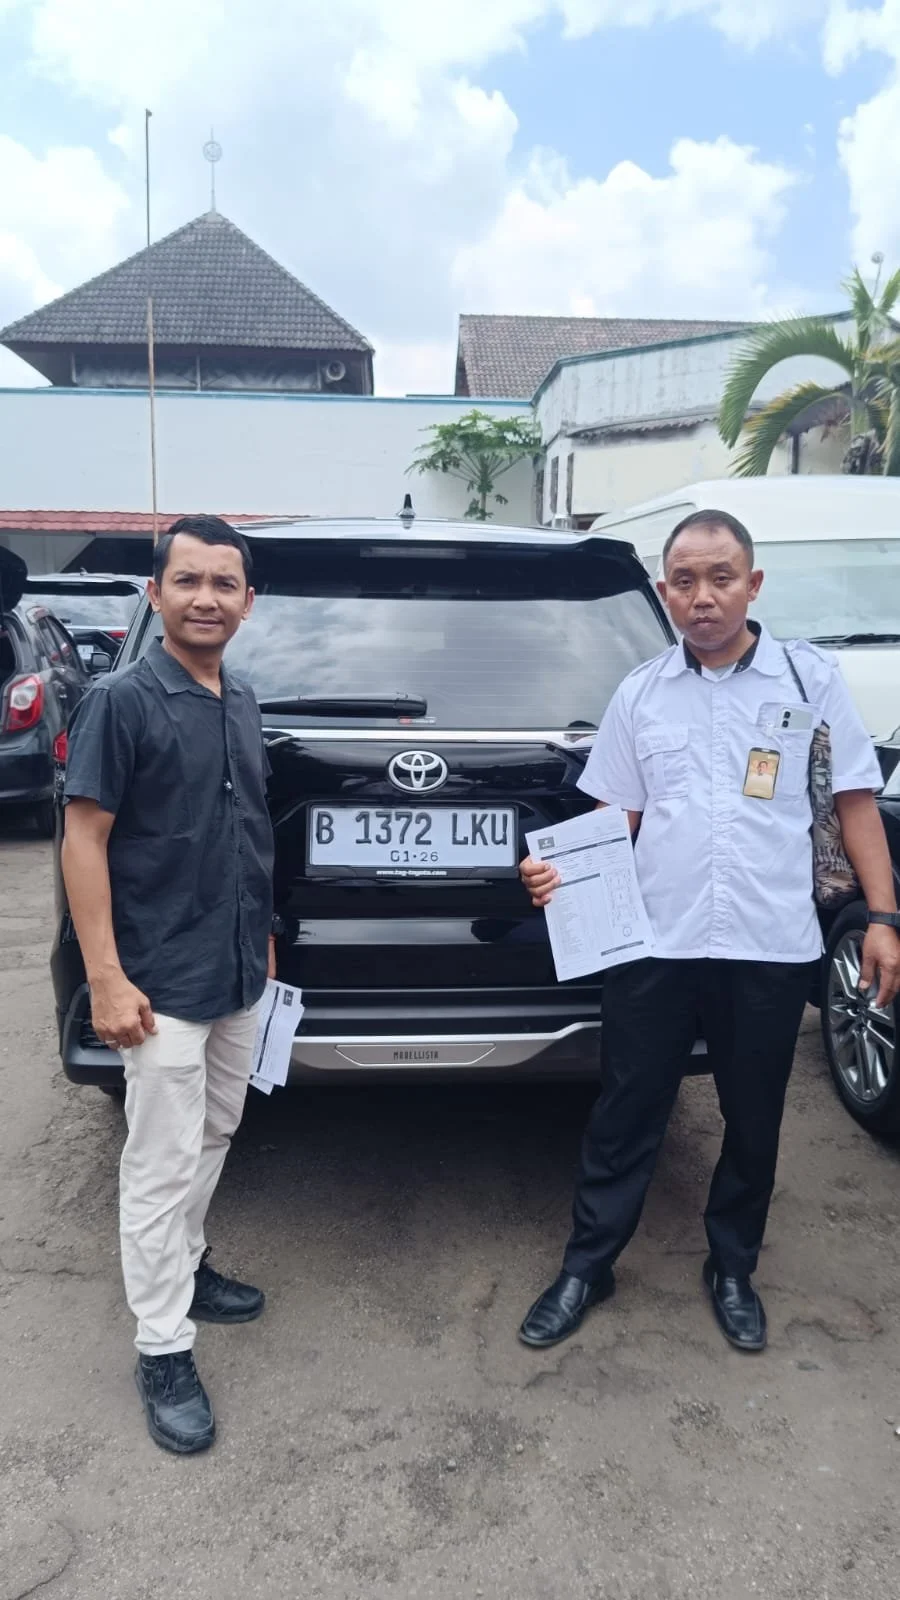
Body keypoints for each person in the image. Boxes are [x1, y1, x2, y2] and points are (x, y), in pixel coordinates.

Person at [518, 509, 900, 1354]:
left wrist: (882, 917)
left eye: (720, 578)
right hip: (657, 943)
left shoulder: (809, 682)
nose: (702, 597)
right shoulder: (641, 692)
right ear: (665, 592)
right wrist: (559, 870)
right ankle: (590, 1263)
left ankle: (732, 1265)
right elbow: (616, 810)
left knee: (754, 1114)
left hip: (769, 944)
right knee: (627, 1109)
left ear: (753, 585)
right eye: (684, 581)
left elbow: (854, 802)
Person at [62, 515, 276, 1454]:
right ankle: (161, 1344)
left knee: (217, 1130)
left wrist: (262, 938)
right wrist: (105, 978)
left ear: (246, 602)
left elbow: (248, 833)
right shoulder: (122, 699)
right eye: (186, 581)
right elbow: (84, 840)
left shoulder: (242, 699)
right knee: (157, 1162)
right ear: (155, 594)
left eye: (223, 584)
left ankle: (187, 1268)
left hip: (235, 968)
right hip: (156, 983)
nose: (205, 599)